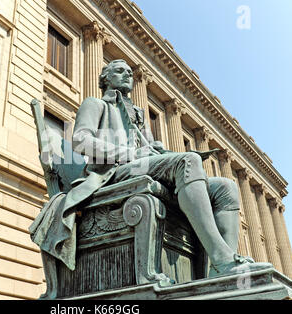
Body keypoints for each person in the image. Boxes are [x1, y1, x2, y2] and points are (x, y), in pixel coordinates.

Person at [71, 59, 272, 277]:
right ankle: (222, 258)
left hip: (142, 167)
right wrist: (129, 152)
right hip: (112, 172)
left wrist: (157, 150)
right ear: (105, 78)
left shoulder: (137, 115)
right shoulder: (96, 104)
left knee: (226, 187)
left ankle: (224, 265)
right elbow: (80, 140)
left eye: (130, 72)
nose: (127, 75)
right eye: (119, 71)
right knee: (187, 161)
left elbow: (148, 151)